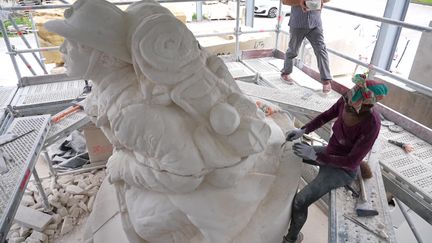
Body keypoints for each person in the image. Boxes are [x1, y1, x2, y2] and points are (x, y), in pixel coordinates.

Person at [282, 74, 388, 243]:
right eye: (347, 102)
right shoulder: (347, 99)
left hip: (343, 169)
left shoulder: (371, 124)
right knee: (290, 152)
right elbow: (326, 115)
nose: (346, 107)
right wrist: (304, 130)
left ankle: (292, 238)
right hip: (330, 152)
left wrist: (315, 156)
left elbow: (352, 161)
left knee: (300, 201)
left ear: (365, 107)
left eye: (351, 107)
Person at [281, 0, 332, 93]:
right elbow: (284, 1)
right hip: (297, 23)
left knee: (321, 50)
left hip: (315, 23)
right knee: (293, 50)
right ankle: (285, 73)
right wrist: (301, 1)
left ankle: (326, 81)